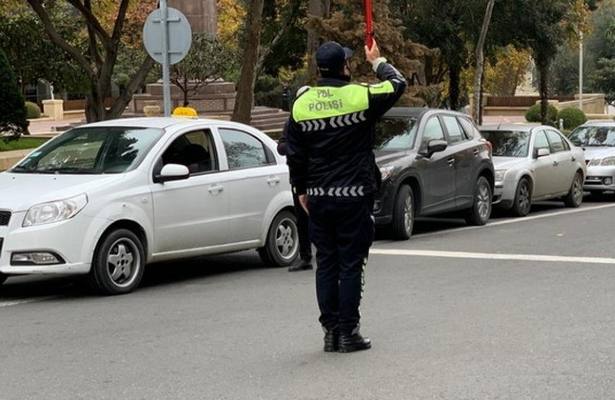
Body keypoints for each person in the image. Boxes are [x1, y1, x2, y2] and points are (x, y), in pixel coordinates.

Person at [285, 40, 406, 353]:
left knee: (326, 264)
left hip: (319, 198)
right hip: (354, 196)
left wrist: (300, 190)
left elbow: (294, 154)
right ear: (344, 66)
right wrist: (378, 61)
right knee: (351, 264)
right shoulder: (360, 95)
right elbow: (397, 84)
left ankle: (330, 332)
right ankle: (348, 333)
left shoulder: (302, 102)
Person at [277, 128, 314, 272]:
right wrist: (296, 145)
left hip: (318, 176)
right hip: (298, 179)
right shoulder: (291, 124)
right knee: (301, 219)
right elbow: (281, 147)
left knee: (321, 217)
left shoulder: (314, 122)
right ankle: (305, 256)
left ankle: (328, 252)